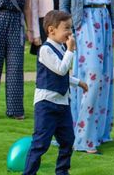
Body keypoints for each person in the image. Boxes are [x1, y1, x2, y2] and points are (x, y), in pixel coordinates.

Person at [60, 0, 114, 153]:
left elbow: (110, 3)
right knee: (89, 79)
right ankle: (83, 138)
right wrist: (68, 34)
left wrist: (113, 26)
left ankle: (98, 132)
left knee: (103, 80)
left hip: (103, 27)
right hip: (84, 27)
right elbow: (64, 6)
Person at [23, 10, 89, 175]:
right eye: (66, 28)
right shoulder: (46, 50)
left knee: (68, 140)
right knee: (41, 144)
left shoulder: (60, 47)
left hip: (62, 104)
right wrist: (71, 50)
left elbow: (64, 74)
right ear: (51, 30)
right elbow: (60, 69)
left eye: (71, 28)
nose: (70, 32)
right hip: (46, 104)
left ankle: (62, 171)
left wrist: (78, 82)